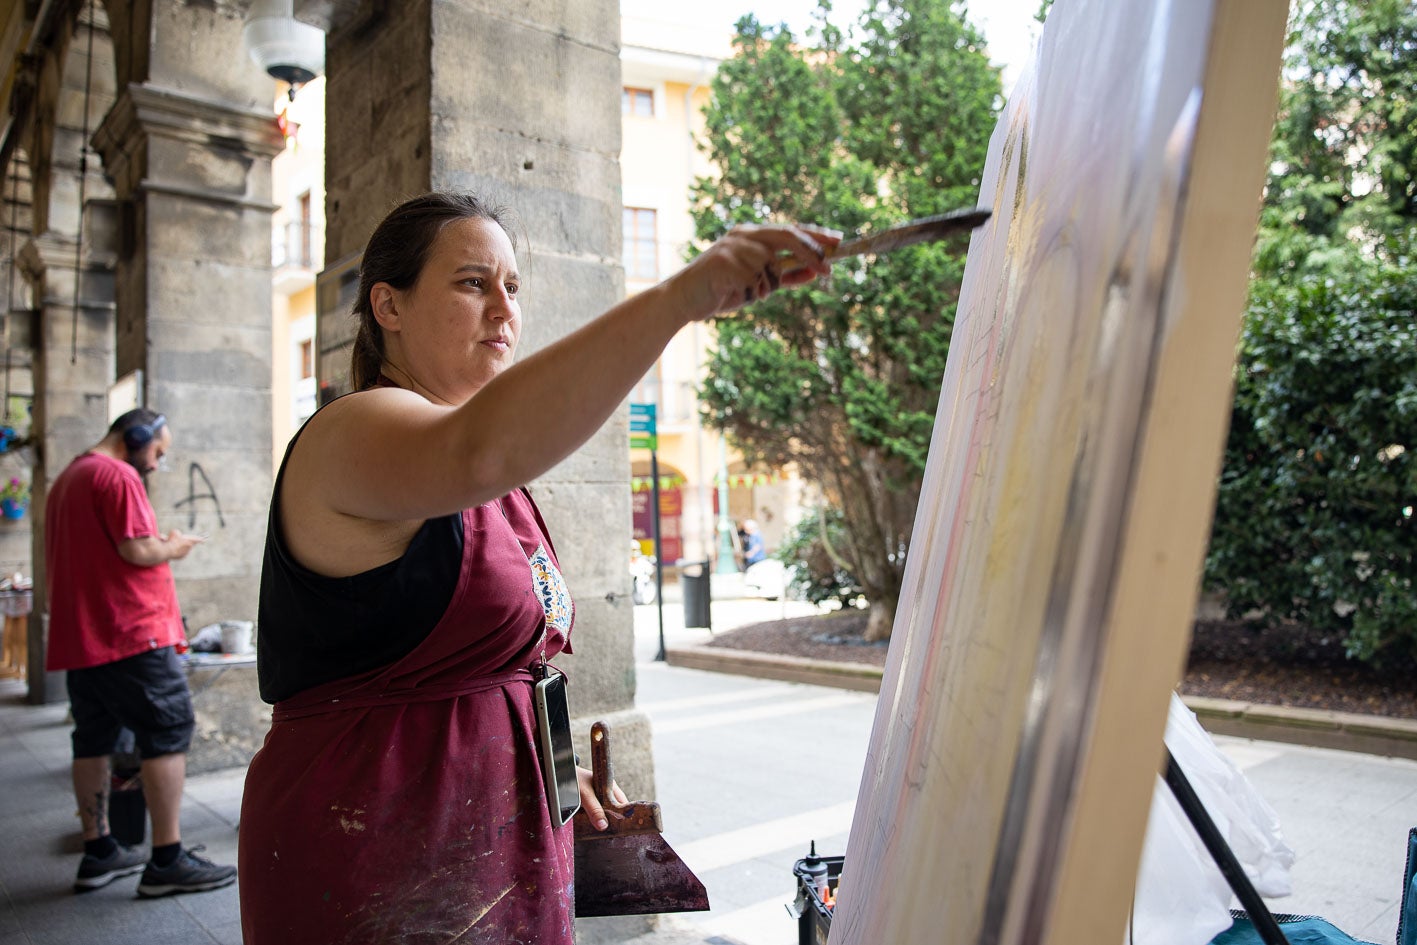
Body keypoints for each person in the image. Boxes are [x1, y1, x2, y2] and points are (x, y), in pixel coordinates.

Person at [238, 192, 837, 944]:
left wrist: (546, 770)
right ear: (387, 305)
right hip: (374, 849)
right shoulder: (354, 429)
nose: (502, 308)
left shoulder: (494, 482)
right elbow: (479, 447)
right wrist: (684, 294)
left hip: (493, 843)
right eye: (471, 283)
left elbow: (509, 666)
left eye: (512, 287)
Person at [44, 408, 237, 897]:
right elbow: (136, 549)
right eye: (157, 451)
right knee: (168, 731)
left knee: (92, 739)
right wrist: (172, 546)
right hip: (130, 632)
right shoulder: (116, 474)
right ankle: (167, 859)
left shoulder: (71, 475)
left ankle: (100, 850)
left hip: (85, 635)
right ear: (135, 436)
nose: (154, 463)